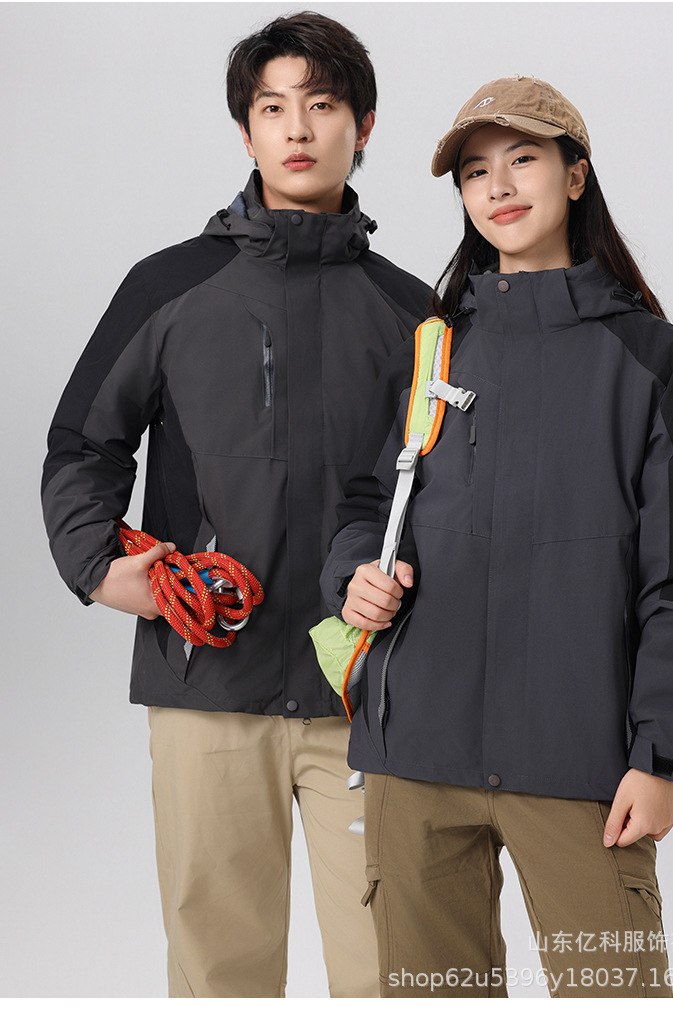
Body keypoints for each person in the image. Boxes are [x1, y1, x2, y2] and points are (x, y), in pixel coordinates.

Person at [41, 11, 431, 998]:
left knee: (394, 969)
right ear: (246, 130)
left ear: (364, 125)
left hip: (367, 692)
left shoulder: (412, 312)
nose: (297, 128)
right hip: (206, 681)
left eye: (323, 104)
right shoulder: (169, 286)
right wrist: (98, 566)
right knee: (220, 973)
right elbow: (83, 442)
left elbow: (442, 487)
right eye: (272, 107)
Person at [320, 76, 673, 998]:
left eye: (523, 159)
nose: (498, 187)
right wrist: (353, 575)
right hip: (414, 757)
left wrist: (659, 758)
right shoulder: (434, 351)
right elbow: (364, 504)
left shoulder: (660, 362)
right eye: (475, 172)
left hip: (580, 761)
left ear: (575, 177)